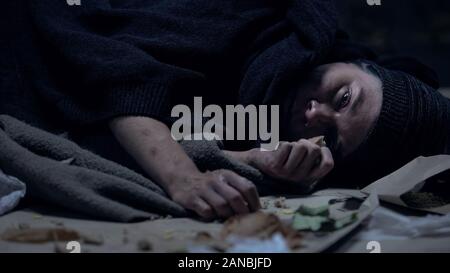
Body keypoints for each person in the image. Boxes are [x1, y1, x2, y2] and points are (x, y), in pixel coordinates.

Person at [1, 0, 449, 220]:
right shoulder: (255, 18)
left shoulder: (269, 123)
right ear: (353, 62)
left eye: (329, 136)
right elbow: (120, 77)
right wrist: (182, 177)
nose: (314, 116)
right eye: (342, 97)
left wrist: (259, 161)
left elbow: (185, 130)